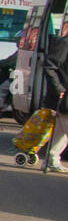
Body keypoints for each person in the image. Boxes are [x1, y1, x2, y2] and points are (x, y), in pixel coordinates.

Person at [43, 18, 68, 173]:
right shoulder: (64, 44)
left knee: (60, 132)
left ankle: (52, 159)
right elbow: (49, 66)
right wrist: (58, 89)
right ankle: (51, 159)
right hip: (65, 95)